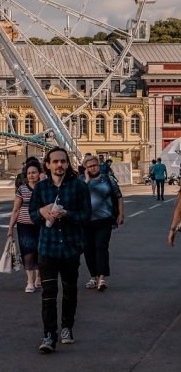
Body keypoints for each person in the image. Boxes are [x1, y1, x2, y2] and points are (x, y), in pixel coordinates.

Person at [29, 147, 91, 353]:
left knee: (70, 291)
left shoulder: (79, 186)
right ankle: (48, 335)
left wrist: (67, 214)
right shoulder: (40, 188)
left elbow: (86, 216)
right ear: (47, 165)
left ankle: (67, 327)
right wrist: (41, 212)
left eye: (63, 161)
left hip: (71, 248)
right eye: (55, 162)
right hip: (47, 248)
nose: (59, 165)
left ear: (68, 164)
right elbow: (32, 216)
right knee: (48, 293)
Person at [81, 155, 124, 291]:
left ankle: (102, 278)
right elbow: (76, 197)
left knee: (101, 247)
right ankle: (93, 276)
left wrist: (120, 214)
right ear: (85, 169)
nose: (93, 168)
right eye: (90, 166)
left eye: (95, 165)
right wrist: (86, 181)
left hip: (104, 219)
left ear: (98, 165)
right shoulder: (81, 181)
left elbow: (118, 196)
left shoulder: (108, 179)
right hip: (86, 221)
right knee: (88, 249)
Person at [7, 159, 42, 293]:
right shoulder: (22, 189)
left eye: (34, 172)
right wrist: (10, 227)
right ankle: (29, 281)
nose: (31, 175)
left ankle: (39, 277)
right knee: (27, 252)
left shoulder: (44, 188)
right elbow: (16, 209)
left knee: (40, 252)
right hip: (24, 225)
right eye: (29, 173)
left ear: (39, 173)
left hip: (41, 225)